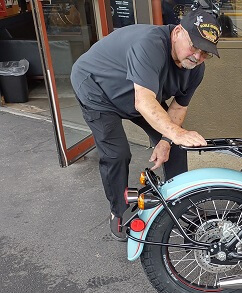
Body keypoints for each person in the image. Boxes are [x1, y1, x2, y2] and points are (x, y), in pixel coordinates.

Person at [70, 9, 218, 240]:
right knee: (116, 153)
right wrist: (175, 132)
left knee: (175, 146)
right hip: (97, 88)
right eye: (194, 46)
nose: (198, 56)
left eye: (205, 52)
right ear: (178, 32)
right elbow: (144, 102)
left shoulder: (196, 69)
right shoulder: (150, 45)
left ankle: (179, 205)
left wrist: (168, 141)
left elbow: (178, 107)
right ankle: (118, 212)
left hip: (142, 93)